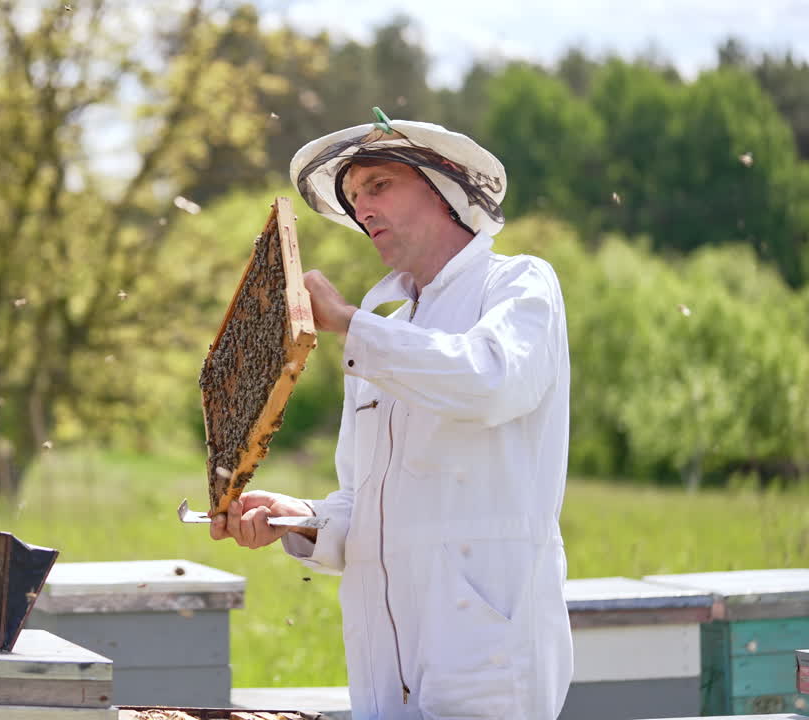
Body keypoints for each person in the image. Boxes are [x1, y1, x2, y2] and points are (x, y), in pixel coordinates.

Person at [209, 117, 574, 720]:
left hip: (488, 658)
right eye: (354, 199)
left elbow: (489, 381)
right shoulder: (389, 331)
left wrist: (352, 323)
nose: (363, 210)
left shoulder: (519, 284)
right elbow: (366, 503)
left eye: (378, 186)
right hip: (384, 665)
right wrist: (299, 520)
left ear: (442, 189)